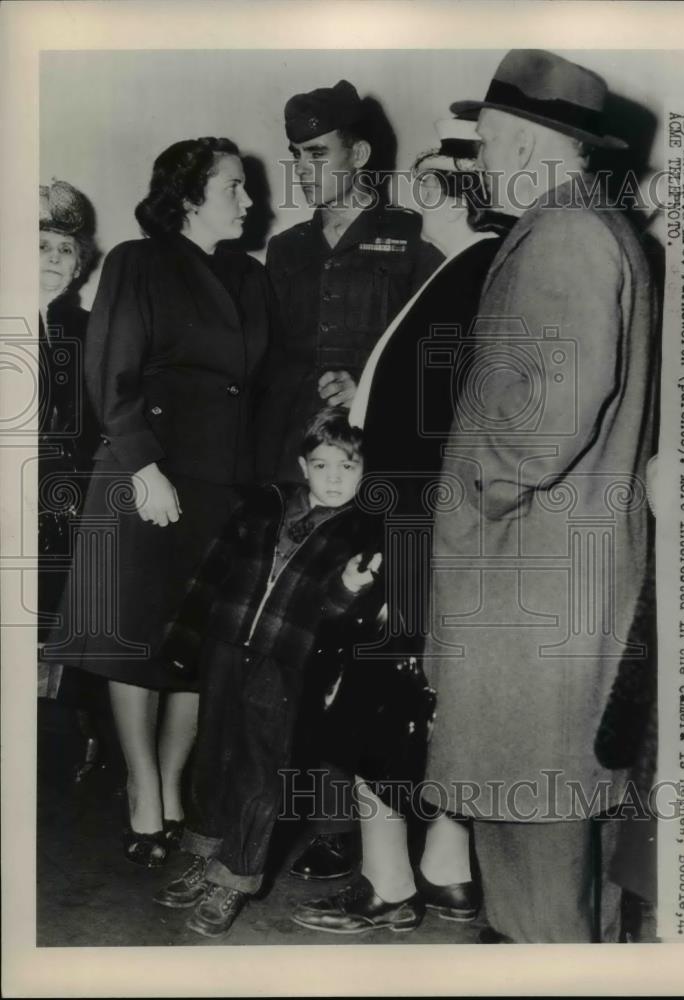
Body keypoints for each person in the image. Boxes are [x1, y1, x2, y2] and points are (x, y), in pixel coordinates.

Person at [414, 49, 657, 943]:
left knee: (530, 844)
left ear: (522, 142)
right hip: (561, 582)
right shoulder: (595, 225)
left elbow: (545, 422)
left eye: (481, 141)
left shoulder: (561, 237)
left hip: (529, 591)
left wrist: (475, 487)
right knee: (561, 839)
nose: (474, 160)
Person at [290, 120, 512, 935]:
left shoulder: (473, 269)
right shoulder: (465, 268)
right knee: (422, 700)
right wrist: (365, 391)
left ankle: (390, 887)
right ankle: (445, 874)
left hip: (414, 525)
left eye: (422, 176)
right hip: (424, 522)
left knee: (375, 697)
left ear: (441, 188)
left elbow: (436, 431)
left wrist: (391, 550)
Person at [44, 138, 274, 867]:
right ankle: (143, 793)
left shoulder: (250, 276)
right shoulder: (138, 262)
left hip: (220, 486)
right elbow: (113, 369)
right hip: (145, 475)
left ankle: (173, 788)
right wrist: (143, 466)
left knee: (195, 652)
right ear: (187, 196)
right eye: (233, 187)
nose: (247, 200)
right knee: (131, 645)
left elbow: (262, 391)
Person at [255, 78, 443, 882]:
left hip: (369, 476)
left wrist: (362, 379)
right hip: (292, 467)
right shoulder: (288, 250)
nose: (303, 170)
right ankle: (274, 810)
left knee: (355, 639)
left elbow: (432, 352)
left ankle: (347, 827)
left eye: (318, 154)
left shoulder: (409, 243)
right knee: (286, 643)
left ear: (359, 155)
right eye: (295, 156)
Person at [152, 409, 381, 937]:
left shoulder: (359, 532)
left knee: (259, 770)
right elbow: (212, 571)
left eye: (347, 467)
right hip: (227, 647)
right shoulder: (264, 504)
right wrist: (185, 639)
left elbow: (334, 616)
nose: (333, 478)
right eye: (322, 465)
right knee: (212, 755)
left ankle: (234, 877)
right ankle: (202, 855)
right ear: (303, 465)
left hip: (285, 664)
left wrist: (348, 587)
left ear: (364, 473)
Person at [38, 180, 106, 774]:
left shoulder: (86, 331)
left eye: (64, 248)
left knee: (59, 616)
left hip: (63, 500)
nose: (54, 260)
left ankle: (74, 736)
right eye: (40, 246)